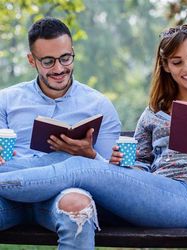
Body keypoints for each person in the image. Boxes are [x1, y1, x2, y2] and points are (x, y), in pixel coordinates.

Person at [0, 24, 187, 250]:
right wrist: (121, 169)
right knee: (63, 156)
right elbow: (140, 166)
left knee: (79, 165)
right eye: (177, 62)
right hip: (153, 197)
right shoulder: (154, 112)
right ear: (165, 65)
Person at [0, 17, 121, 249]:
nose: (58, 69)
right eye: (47, 61)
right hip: (10, 196)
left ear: (73, 53)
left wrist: (90, 156)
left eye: (65, 58)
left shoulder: (98, 105)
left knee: (79, 208)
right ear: (31, 60)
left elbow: (113, 179)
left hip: (63, 195)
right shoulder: (6, 99)